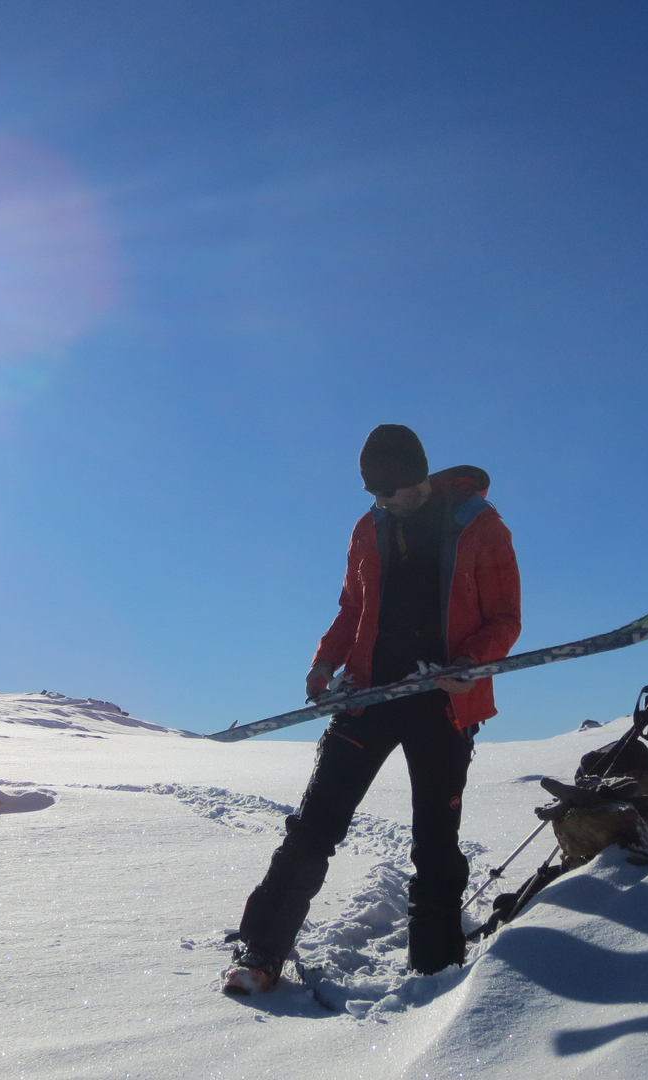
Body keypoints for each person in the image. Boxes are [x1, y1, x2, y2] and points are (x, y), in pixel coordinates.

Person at [223, 424, 521, 994]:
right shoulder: (370, 527)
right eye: (374, 493)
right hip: (368, 698)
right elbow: (350, 608)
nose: (381, 501)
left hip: (443, 702)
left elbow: (505, 619)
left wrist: (471, 664)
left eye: (390, 490)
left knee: (435, 841)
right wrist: (323, 663)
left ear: (418, 478)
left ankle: (434, 974)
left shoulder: (481, 527)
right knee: (313, 828)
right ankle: (260, 953)